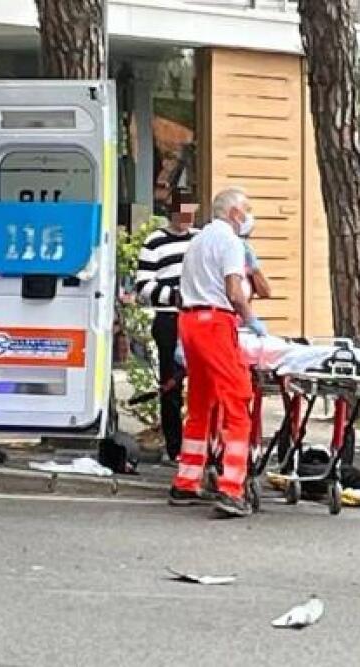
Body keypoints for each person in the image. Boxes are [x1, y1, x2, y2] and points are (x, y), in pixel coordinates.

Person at [168, 187, 264, 518]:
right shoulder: (230, 242)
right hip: (215, 323)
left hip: (190, 322)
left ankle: (186, 481)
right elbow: (234, 292)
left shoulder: (197, 241)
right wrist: (251, 319)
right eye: (247, 209)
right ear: (235, 213)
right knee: (237, 402)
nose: (249, 216)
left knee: (199, 403)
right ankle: (231, 489)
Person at [134, 208, 195, 464]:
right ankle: (175, 447)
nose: (186, 219)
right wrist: (175, 297)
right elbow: (143, 285)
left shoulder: (199, 239)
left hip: (199, 318)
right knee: (171, 385)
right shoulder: (154, 241)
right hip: (169, 318)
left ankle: (201, 444)